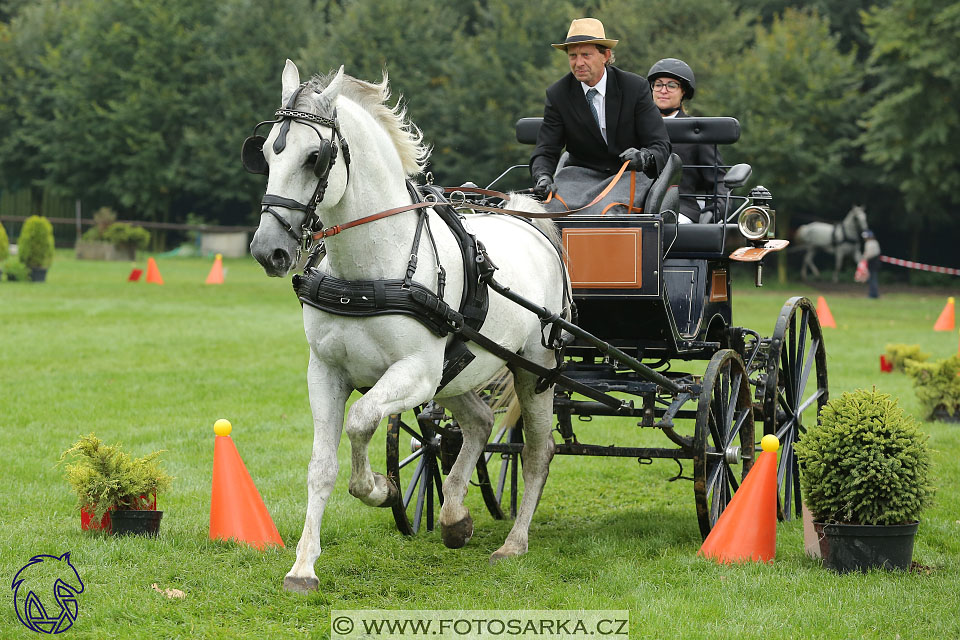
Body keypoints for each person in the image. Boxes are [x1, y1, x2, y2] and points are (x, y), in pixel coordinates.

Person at [531, 18, 670, 213]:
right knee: (547, 210)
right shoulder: (558, 94)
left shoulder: (635, 87)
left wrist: (644, 158)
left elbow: (660, 145)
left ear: (605, 55)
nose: (578, 63)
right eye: (573, 56)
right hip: (579, 177)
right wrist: (543, 177)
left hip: (629, 174)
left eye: (586, 55)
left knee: (605, 212)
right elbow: (546, 149)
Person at [647, 58, 729, 223]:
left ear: (683, 91)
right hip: (636, 206)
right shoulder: (637, 128)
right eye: (658, 84)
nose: (663, 90)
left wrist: (715, 212)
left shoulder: (696, 133)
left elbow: (718, 180)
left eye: (671, 85)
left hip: (680, 208)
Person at [858, 230, 881, 298]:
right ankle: (873, 293)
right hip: (874, 263)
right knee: (872, 279)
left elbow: (869, 254)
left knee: (872, 279)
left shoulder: (870, 243)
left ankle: (873, 294)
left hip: (872, 264)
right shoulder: (874, 242)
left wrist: (863, 258)